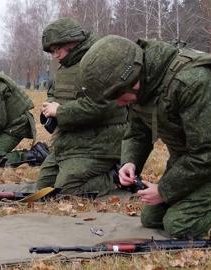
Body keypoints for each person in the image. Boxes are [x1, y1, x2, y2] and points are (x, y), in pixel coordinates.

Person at [78, 35, 211, 238]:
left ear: (133, 79)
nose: (117, 102)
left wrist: (165, 190)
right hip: (194, 158)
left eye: (117, 95)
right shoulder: (144, 84)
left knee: (180, 223)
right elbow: (138, 131)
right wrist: (129, 162)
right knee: (152, 218)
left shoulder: (194, 80)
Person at [37, 18, 127, 196]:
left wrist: (60, 111)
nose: (55, 55)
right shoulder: (65, 67)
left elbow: (101, 106)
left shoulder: (100, 60)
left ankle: (116, 176)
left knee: (67, 190)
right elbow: (54, 94)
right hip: (70, 141)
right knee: (44, 187)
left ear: (72, 41)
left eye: (57, 49)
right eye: (52, 51)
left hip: (101, 142)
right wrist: (49, 108)